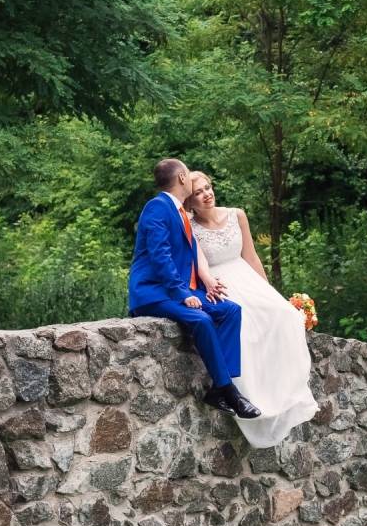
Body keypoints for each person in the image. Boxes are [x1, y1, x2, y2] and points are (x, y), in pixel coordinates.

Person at [186, 172, 317, 448]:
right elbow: (196, 266)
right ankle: (248, 398)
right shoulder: (190, 226)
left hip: (246, 277)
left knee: (283, 316)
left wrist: (270, 293)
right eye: (198, 192)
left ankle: (284, 391)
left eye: (208, 188)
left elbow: (251, 256)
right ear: (190, 200)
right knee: (246, 328)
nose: (207, 194)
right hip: (219, 285)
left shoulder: (237, 215)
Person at [128, 159, 261, 419]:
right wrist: (183, 294)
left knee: (230, 310)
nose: (191, 179)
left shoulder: (179, 211)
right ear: (181, 178)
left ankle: (217, 389)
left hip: (175, 289)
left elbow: (188, 256)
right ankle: (229, 391)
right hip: (152, 292)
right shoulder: (157, 207)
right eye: (188, 174)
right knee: (201, 319)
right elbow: (160, 256)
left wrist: (204, 285)